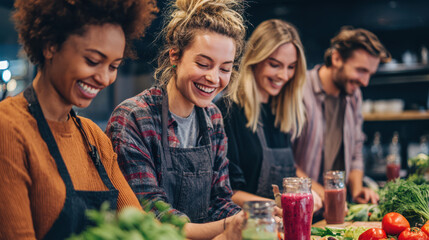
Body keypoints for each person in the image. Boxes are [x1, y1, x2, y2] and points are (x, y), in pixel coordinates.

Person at [0, 0, 158, 239]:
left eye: (114, 66)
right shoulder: (9, 128)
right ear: (50, 45)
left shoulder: (94, 137)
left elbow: (139, 226)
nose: (105, 79)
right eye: (93, 61)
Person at [106, 0, 246, 239]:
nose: (214, 78)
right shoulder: (134, 118)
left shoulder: (213, 117)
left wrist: (253, 218)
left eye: (225, 69)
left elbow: (220, 200)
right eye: (203, 64)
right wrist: (230, 226)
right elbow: (152, 215)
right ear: (175, 56)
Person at [216, 19, 322, 213]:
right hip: (246, 228)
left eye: (291, 67)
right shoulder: (228, 111)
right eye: (275, 65)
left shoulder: (279, 111)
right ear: (255, 60)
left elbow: (289, 172)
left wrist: (311, 191)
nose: (283, 75)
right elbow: (228, 193)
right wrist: (282, 206)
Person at [293, 27, 391, 204]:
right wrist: (323, 194)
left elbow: (356, 150)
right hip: (304, 207)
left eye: (370, 73)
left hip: (338, 207)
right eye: (361, 70)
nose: (365, 82)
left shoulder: (354, 95)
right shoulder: (298, 90)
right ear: (337, 58)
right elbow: (285, 161)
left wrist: (357, 189)